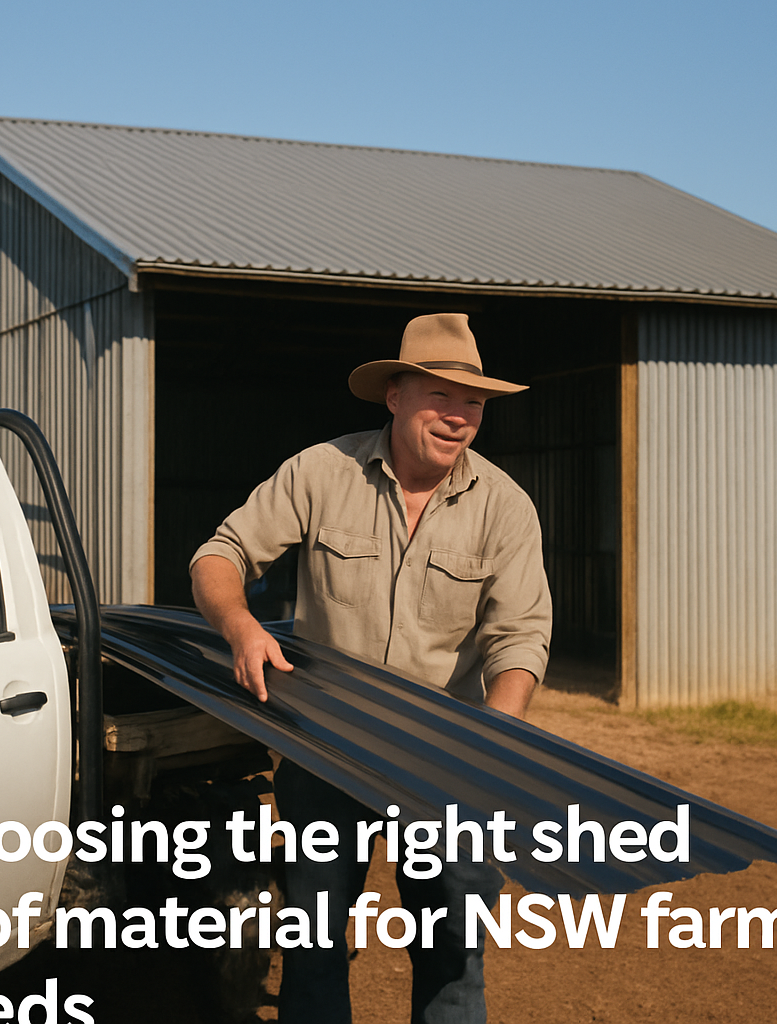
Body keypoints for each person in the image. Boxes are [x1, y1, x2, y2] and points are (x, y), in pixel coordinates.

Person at [190, 312, 552, 1024]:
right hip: (326, 748)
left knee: (452, 947)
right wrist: (241, 628)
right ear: (394, 395)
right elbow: (219, 554)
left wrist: (497, 729)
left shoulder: (505, 508)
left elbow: (521, 637)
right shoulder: (322, 472)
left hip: (446, 757)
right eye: (439, 397)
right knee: (315, 941)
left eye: (472, 402)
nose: (458, 417)